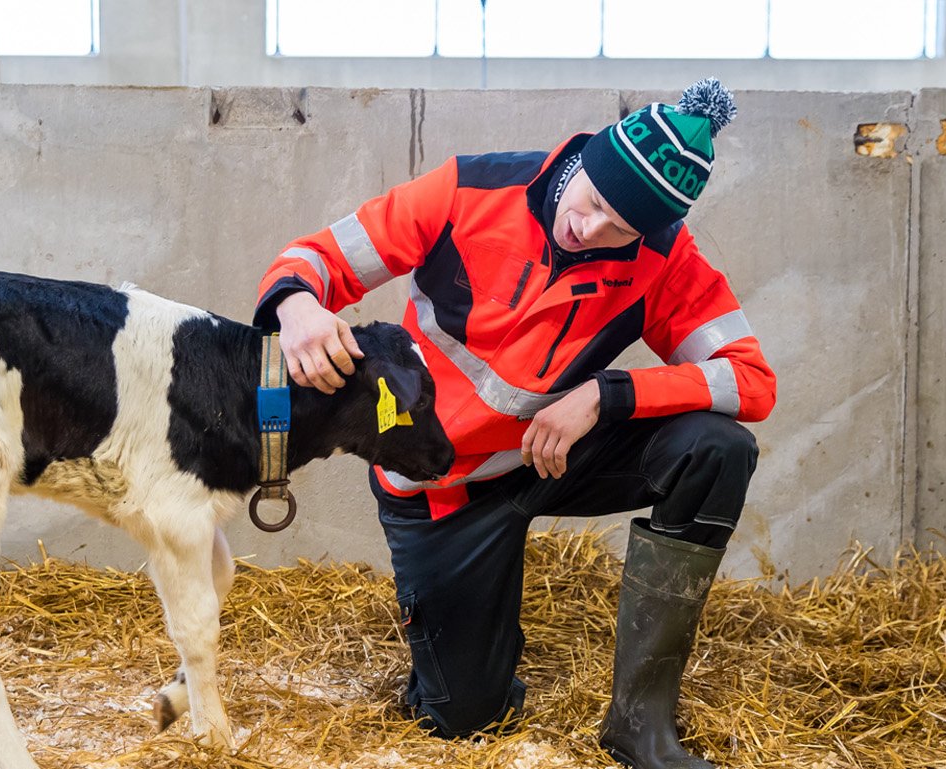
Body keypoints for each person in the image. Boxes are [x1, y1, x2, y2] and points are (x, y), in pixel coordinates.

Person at [253, 78, 776, 769]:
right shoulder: (468, 191)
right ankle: (459, 666)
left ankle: (640, 724)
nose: (589, 228)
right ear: (583, 159)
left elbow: (750, 380)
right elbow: (313, 259)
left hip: (555, 451)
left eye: (619, 226)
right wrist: (296, 305)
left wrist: (606, 394)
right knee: (466, 717)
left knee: (718, 449)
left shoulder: (661, 258)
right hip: (444, 482)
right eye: (591, 202)